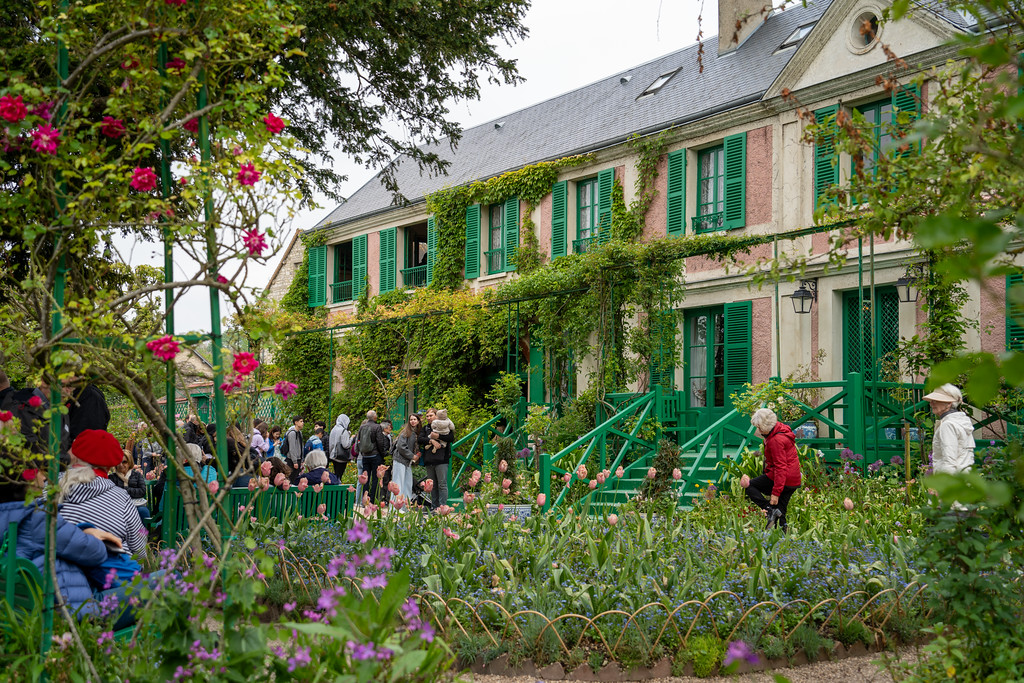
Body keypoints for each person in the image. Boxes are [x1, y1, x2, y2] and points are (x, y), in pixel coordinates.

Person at [0, 474, 137, 629]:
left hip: (37, 615)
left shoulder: (8, 519)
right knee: (167, 582)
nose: (44, 476)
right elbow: (95, 553)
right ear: (23, 479)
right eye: (36, 469)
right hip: (78, 613)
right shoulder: (36, 520)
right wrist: (89, 531)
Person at [57, 430, 147, 558]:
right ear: (110, 466)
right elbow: (141, 548)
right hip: (113, 573)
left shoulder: (51, 488)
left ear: (75, 455)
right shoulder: (122, 498)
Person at [743, 408, 801, 531]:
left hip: (782, 479)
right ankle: (783, 540)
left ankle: (769, 509)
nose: (758, 430)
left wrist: (775, 493)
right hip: (793, 480)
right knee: (780, 514)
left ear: (765, 426)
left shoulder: (776, 440)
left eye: (759, 427)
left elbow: (780, 467)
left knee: (750, 486)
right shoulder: (781, 430)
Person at [924, 384, 975, 475]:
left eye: (936, 401)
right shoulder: (961, 422)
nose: (931, 404)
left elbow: (949, 461)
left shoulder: (948, 425)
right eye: (932, 401)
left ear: (948, 403)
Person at [421, 407, 454, 510]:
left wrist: (438, 436)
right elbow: (420, 439)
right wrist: (431, 441)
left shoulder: (445, 425)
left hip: (442, 460)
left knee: (442, 484)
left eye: (431, 415)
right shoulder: (426, 428)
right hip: (429, 460)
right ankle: (434, 507)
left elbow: (451, 438)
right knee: (432, 485)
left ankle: (442, 507)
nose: (429, 418)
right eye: (427, 416)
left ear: (436, 416)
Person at [356, 410, 389, 503]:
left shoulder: (362, 427)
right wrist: (382, 454)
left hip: (365, 456)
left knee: (365, 478)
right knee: (375, 479)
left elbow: (358, 440)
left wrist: (360, 452)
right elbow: (380, 441)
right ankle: (372, 500)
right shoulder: (377, 427)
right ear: (375, 417)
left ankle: (364, 500)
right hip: (375, 455)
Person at [109, 451, 150, 522]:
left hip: (137, 504)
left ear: (129, 463)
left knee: (143, 511)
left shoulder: (137, 475)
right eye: (118, 462)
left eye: (124, 462)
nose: (121, 465)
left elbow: (142, 491)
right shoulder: (112, 477)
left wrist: (125, 490)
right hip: (118, 506)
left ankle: (143, 533)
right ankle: (123, 533)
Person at [392, 414, 422, 506]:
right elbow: (401, 446)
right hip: (400, 459)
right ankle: (395, 508)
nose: (413, 421)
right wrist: (412, 456)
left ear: (418, 421)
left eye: (414, 419)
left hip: (407, 461)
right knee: (398, 484)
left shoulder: (416, 432)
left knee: (407, 484)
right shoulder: (406, 432)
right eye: (411, 419)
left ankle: (406, 506)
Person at [328, 413, 354, 481]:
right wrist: (351, 438)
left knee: (336, 474)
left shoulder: (333, 429)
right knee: (339, 476)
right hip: (341, 457)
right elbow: (346, 445)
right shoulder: (343, 431)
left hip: (333, 455)